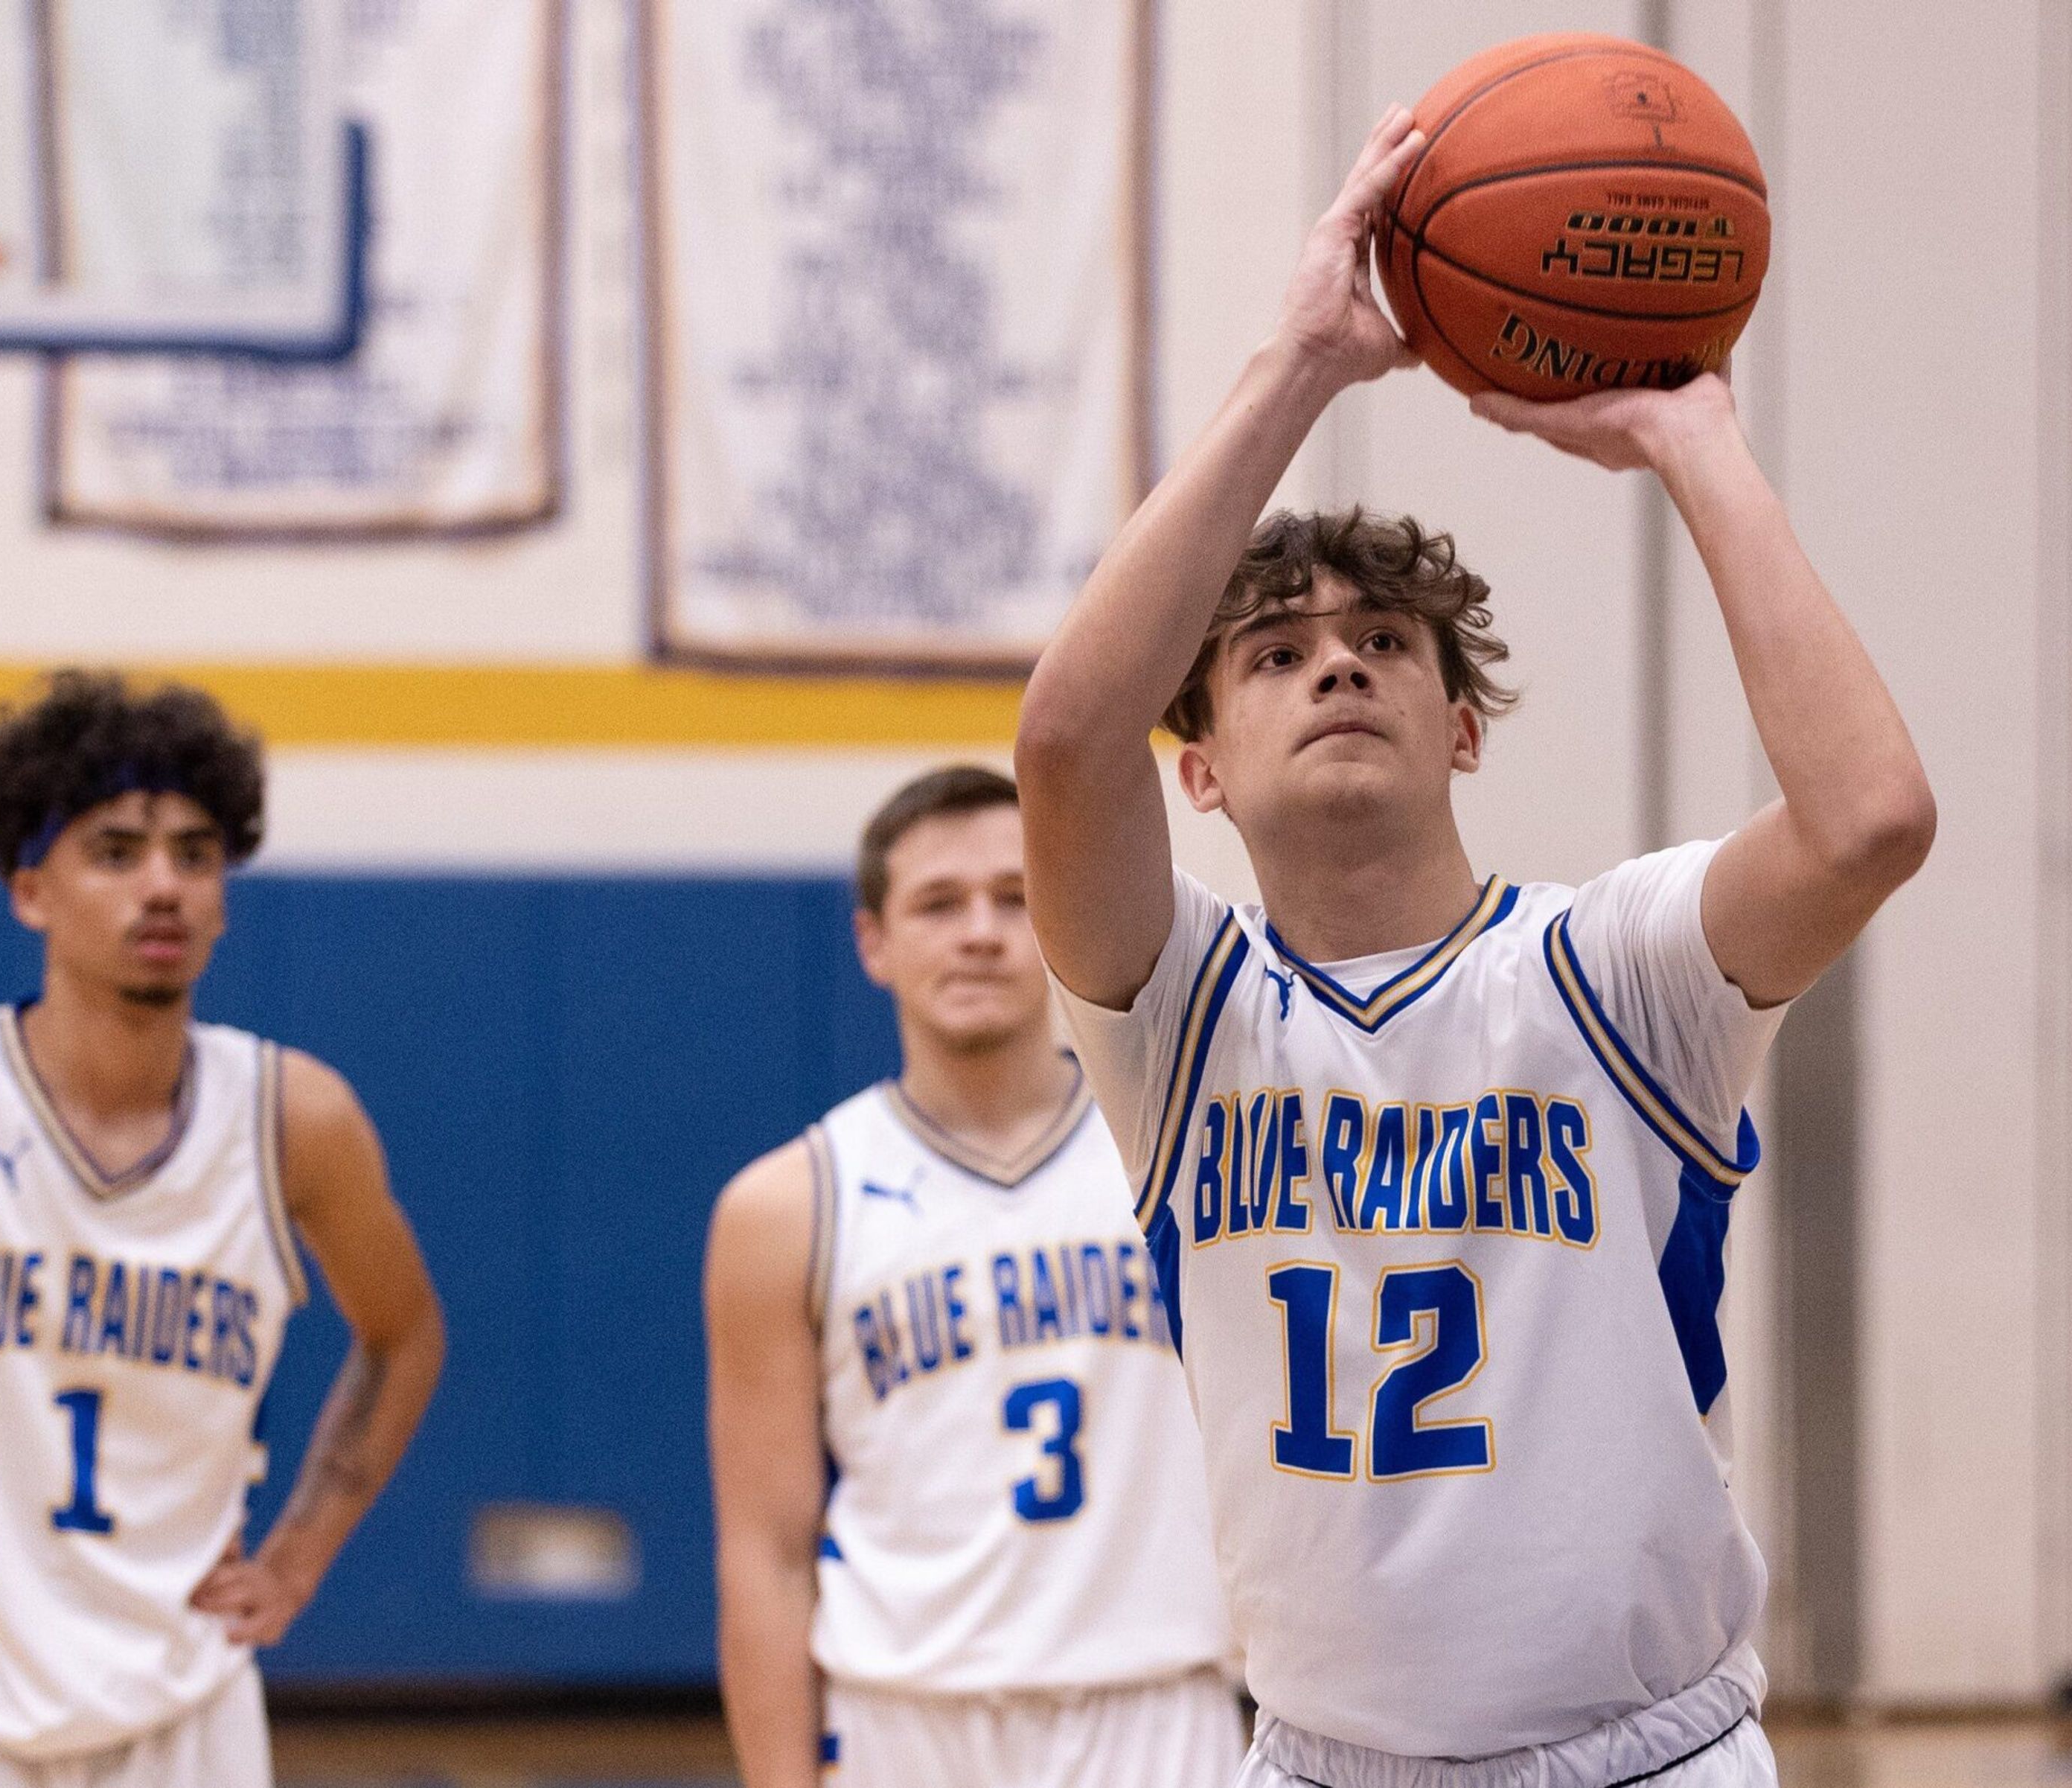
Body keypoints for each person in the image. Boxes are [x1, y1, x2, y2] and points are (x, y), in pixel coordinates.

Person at [1014, 106, 1936, 1788]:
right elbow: (1069, 744)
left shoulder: (1616, 973)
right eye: (1276, 653)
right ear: (1202, 766)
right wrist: (1301, 359)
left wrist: (1695, 438)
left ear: (1464, 731)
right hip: (1322, 1760)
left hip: (1642, 1756)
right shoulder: (1183, 1019)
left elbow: (1872, 818)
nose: (1339, 665)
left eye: (1385, 641)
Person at [703, 766, 1241, 1788]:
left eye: (1012, 897)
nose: (981, 931)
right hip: (904, 1721)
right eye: (939, 903)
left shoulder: (1179, 1150)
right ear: (874, 941)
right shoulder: (787, 1205)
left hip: (1157, 1705)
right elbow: (765, 1553)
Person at [0, 671, 447, 1788]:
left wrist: (298, 1556)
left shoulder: (294, 1120)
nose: (164, 885)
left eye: (194, 852)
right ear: (31, 890)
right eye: (117, 850)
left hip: (187, 1702)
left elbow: (405, 1333)